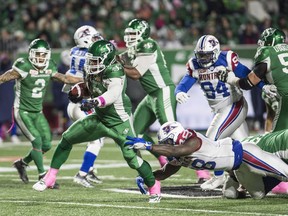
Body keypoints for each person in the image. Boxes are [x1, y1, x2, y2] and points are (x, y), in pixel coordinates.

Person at [32, 40, 161, 203]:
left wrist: (96, 101)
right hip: (100, 118)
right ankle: (49, 178)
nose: (91, 64)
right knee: (66, 139)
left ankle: (154, 186)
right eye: (91, 60)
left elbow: (113, 93)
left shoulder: (115, 70)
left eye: (95, 61)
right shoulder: (91, 69)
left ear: (107, 60)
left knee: (132, 159)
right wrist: (80, 90)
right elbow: (91, 87)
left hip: (119, 122)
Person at [175, 34, 260, 190]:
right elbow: (184, 83)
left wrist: (263, 88)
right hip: (220, 109)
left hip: (234, 104)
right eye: (200, 55)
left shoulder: (226, 58)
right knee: (245, 147)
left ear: (215, 51)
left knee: (212, 140)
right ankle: (253, 179)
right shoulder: (194, 65)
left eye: (206, 54)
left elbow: (249, 75)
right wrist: (179, 92)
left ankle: (218, 177)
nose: (203, 58)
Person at [125, 121, 288, 199]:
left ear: (175, 138)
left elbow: (177, 149)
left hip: (245, 154)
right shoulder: (178, 156)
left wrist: (149, 147)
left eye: (167, 142)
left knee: (285, 173)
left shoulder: (192, 140)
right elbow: (164, 173)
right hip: (237, 169)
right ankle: (270, 177)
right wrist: (147, 178)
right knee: (251, 195)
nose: (166, 147)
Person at [0, 38, 83, 184]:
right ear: (31, 54)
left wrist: (85, 79)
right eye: (38, 54)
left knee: (47, 145)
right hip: (23, 111)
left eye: (43, 55)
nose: (41, 57)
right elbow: (5, 77)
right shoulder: (23, 65)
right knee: (37, 141)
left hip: (38, 112)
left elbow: (64, 78)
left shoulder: (50, 66)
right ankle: (42, 175)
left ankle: (22, 163)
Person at [218, 27, 288, 193]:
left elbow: (248, 83)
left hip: (286, 99)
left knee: (276, 148)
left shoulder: (267, 52)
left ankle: (254, 182)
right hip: (283, 99)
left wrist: (231, 78)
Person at [118, 18, 177, 168]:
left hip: (163, 91)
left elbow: (136, 73)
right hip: (151, 95)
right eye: (128, 34)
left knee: (173, 134)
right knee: (133, 134)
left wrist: (117, 64)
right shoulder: (135, 47)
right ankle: (162, 160)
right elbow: (118, 58)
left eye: (133, 34)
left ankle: (201, 172)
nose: (129, 37)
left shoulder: (147, 44)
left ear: (142, 34)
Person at [62, 25, 104, 188]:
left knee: (96, 138)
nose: (96, 40)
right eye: (93, 38)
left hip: (75, 104)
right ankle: (82, 174)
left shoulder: (74, 51)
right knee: (97, 140)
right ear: (85, 39)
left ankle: (90, 169)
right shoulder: (88, 55)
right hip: (81, 104)